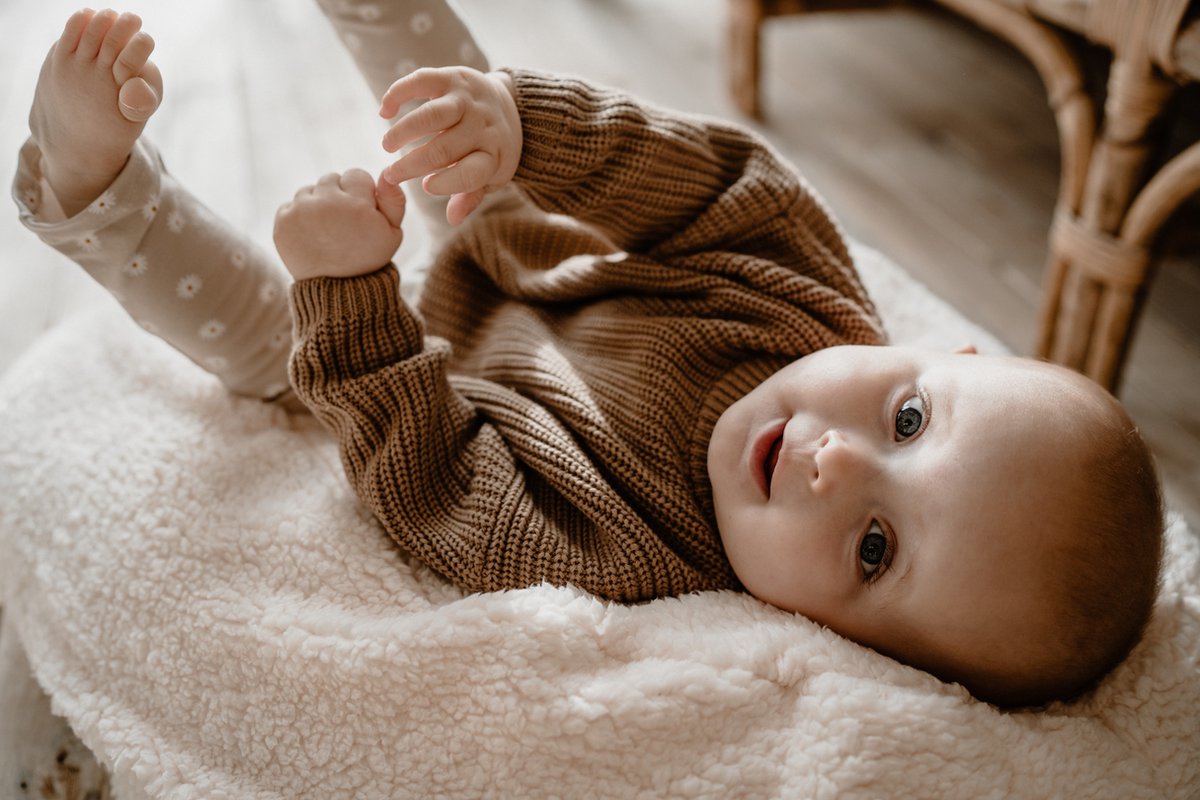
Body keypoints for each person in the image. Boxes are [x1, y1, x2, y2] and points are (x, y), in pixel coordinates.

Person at [13, 4, 1164, 709]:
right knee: (466, 136)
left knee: (275, 356)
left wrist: (348, 293)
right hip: (528, 250)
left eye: (874, 547)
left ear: (865, 650)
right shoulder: (810, 297)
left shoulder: (640, 556)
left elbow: (440, 490)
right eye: (910, 421)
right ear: (942, 350)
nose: (832, 463)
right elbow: (721, 181)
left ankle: (96, 189)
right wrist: (529, 125)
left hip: (426, 375)